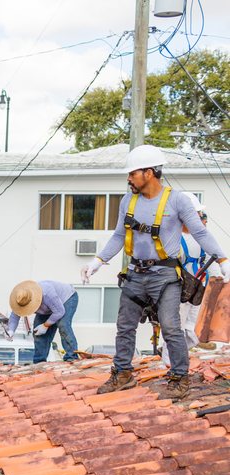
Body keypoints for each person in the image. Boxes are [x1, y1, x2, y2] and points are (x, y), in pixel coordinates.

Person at [82, 144, 230, 399]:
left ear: (149, 173)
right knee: (125, 326)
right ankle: (123, 373)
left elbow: (200, 232)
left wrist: (222, 259)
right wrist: (98, 261)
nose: (129, 178)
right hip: (135, 273)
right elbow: (119, 235)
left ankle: (179, 378)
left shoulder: (177, 200)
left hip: (165, 275)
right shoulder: (128, 200)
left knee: (172, 328)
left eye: (132, 173)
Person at [160, 192, 219, 366]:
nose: (201, 218)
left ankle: (179, 359)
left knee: (189, 328)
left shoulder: (199, 237)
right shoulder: (174, 238)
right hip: (179, 289)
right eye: (199, 214)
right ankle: (170, 363)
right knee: (175, 328)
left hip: (197, 289)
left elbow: (212, 258)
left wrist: (221, 277)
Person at [6, 280, 80, 363]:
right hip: (47, 308)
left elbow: (60, 312)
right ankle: (39, 361)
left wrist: (45, 325)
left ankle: (71, 357)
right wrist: (11, 331)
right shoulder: (20, 299)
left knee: (63, 325)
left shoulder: (47, 293)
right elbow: (14, 315)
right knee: (38, 332)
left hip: (66, 299)